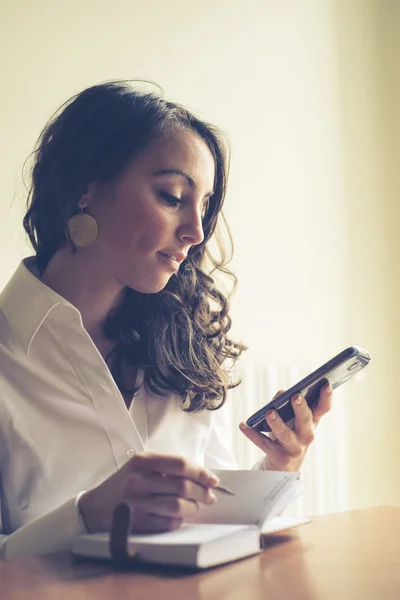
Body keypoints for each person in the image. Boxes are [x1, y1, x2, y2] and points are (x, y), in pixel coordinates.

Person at [0, 81, 332, 559]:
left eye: (204, 206)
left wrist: (280, 467)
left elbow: (208, 514)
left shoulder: (183, 347)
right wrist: (87, 516)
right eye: (173, 196)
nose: (196, 232)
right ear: (87, 188)